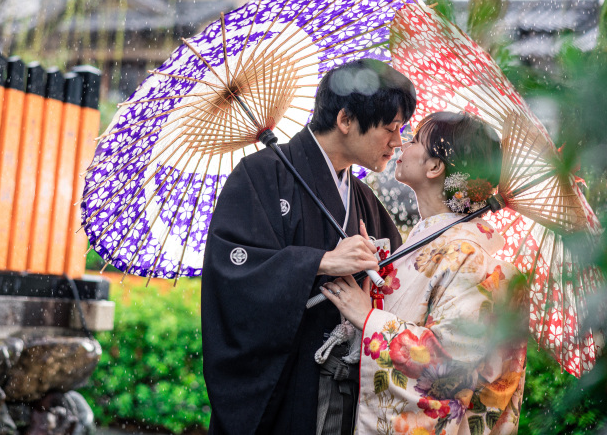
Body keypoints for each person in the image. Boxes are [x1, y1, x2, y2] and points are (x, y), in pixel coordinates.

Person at [201, 58, 417, 435]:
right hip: (289, 382)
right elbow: (231, 271)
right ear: (346, 120)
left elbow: (398, 284)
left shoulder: (364, 198)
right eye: (390, 128)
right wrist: (319, 262)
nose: (397, 142)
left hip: (351, 387)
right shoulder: (260, 175)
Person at [322, 111, 528, 435]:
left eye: (416, 139)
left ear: (435, 167)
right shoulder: (434, 244)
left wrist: (368, 318)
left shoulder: (470, 258)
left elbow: (451, 362)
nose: (403, 142)